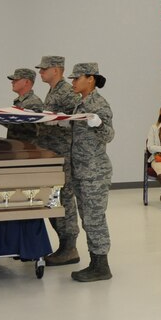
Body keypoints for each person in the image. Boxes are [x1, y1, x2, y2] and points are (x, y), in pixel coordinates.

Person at [67, 63, 115, 282]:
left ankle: (101, 266)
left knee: (94, 218)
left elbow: (108, 135)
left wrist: (98, 124)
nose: (73, 82)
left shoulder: (98, 104)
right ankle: (95, 262)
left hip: (95, 172)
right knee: (87, 218)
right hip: (81, 170)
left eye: (77, 78)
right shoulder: (80, 104)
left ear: (91, 79)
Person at [36, 55, 83, 267]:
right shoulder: (53, 91)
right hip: (51, 154)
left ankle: (69, 246)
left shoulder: (67, 92)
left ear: (57, 70)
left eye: (44, 69)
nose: (40, 72)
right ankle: (64, 245)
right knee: (54, 199)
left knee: (64, 199)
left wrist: (53, 121)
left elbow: (75, 120)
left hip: (62, 154)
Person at [7, 67, 43, 145]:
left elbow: (33, 128)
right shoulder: (19, 101)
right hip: (16, 145)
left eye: (16, 80)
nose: (12, 82)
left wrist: (4, 118)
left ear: (27, 82)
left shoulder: (34, 102)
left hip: (27, 148)